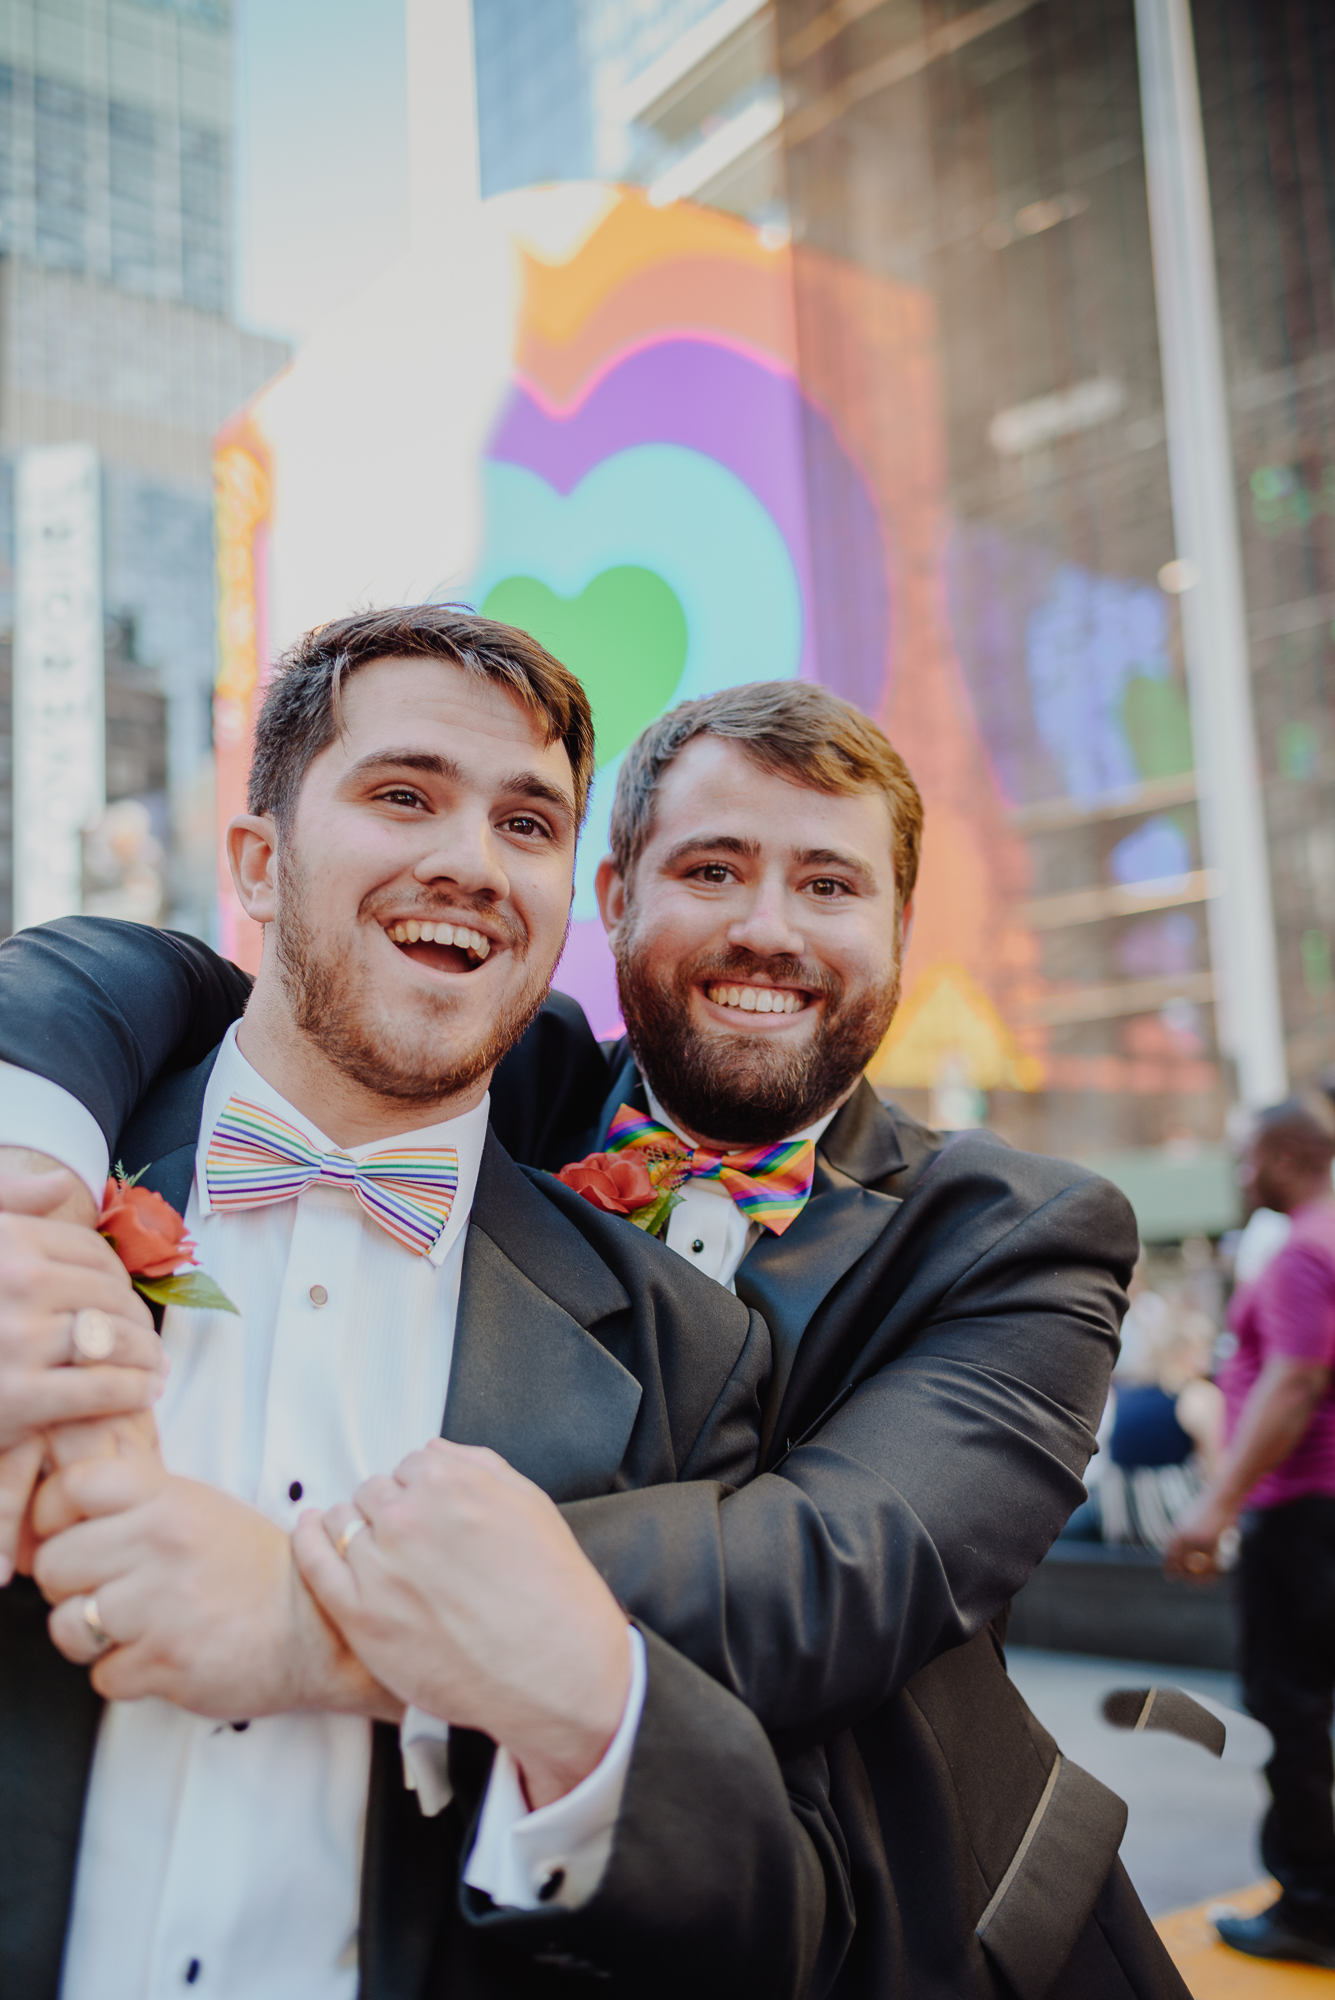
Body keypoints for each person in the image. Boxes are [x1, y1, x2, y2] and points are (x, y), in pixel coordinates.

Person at [0, 677, 1190, 1999]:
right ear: (611, 895)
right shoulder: (500, 1065)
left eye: (829, 886)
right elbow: (160, 977)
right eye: (712, 868)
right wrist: (26, 1154)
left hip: (906, 1916)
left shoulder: (1017, 1230)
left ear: (901, 923)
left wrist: (313, 1607)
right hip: (520, 1897)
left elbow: (826, 1576)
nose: (766, 929)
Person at [0, 609, 849, 2000]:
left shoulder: (687, 1353)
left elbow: (769, 1917)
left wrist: (576, 1710)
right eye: (402, 795)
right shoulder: (35, 1168)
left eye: (527, 825)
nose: (466, 860)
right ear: (259, 865)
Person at [1166, 1093, 1335, 1971]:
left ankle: (1312, 1909)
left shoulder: (1305, 1251)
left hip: (1303, 1512)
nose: (1238, 1176)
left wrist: (1217, 1502)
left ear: (1278, 1155)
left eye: (1243, 1158)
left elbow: (1296, 1380)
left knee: (1291, 1711)